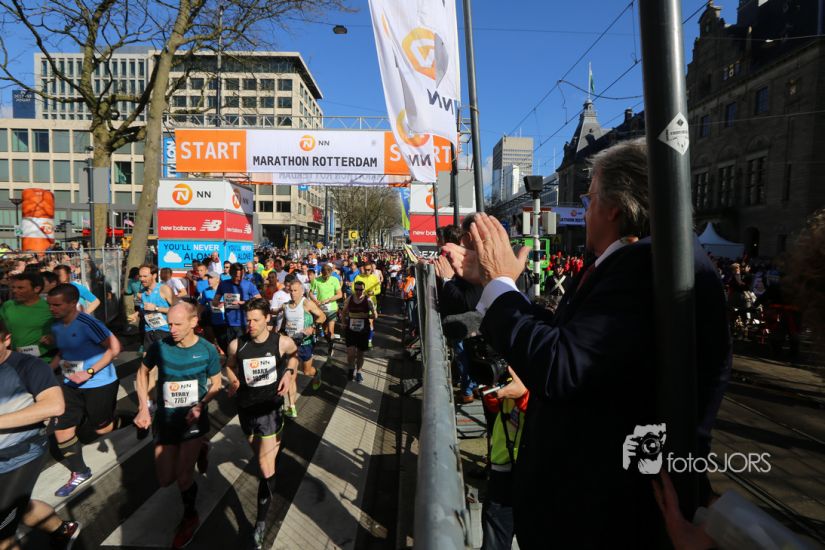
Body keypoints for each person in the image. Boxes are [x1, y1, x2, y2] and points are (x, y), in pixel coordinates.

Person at [444, 139, 730, 547]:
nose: (586, 208)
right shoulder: (641, 259)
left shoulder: (645, 264)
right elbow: (572, 339)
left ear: (614, 207)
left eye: (590, 197)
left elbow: (561, 366)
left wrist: (500, 285)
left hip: (602, 514)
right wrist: (495, 287)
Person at [133, 302, 222, 549]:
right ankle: (203, 447)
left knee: (184, 478)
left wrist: (201, 405)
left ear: (193, 322)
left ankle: (190, 517)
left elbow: (216, 384)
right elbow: (142, 373)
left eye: (177, 324)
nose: (171, 329)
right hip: (166, 419)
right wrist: (143, 407)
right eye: (169, 323)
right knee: (165, 480)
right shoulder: (160, 347)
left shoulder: (207, 350)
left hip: (193, 419)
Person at [0, 320, 81, 550]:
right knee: (19, 508)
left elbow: (55, 405)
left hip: (20, 456)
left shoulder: (29, 366)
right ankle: (63, 530)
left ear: (7, 340)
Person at [224, 299, 298, 549]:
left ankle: (261, 522)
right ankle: (274, 455)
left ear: (267, 318)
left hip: (270, 410)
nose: (251, 325)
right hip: (246, 411)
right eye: (248, 320)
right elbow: (229, 366)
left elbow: (294, 355)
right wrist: (233, 380)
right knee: (260, 456)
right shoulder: (237, 344)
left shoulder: (281, 342)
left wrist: (288, 373)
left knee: (265, 469)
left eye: (256, 320)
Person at [47, 284, 121, 497]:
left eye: (57, 305)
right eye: (50, 305)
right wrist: (47, 371)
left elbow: (115, 348)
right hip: (70, 383)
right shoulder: (56, 325)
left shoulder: (89, 323)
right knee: (62, 428)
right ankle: (80, 472)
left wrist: (89, 372)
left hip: (99, 383)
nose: (52, 309)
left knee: (102, 428)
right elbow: (63, 352)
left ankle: (127, 419)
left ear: (73, 303)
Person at [281, 279, 325, 404]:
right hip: (291, 344)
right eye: (291, 290)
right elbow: (285, 323)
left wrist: (312, 327)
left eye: (295, 290)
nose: (292, 293)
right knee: (291, 373)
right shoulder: (285, 306)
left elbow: (322, 316)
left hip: (305, 343)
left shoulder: (307, 303)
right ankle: (291, 406)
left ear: (301, 291)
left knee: (306, 371)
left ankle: (316, 373)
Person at [0, 272, 53, 360]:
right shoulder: (7, 305)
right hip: (15, 358)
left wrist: (53, 337)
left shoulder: (50, 307)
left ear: (36, 289)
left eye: (20, 288)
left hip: (44, 359)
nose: (14, 291)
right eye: (13, 287)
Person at [212, 263, 261, 353]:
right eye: (237, 276)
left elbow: (259, 299)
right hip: (228, 323)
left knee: (243, 349)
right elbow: (215, 301)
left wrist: (243, 302)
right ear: (231, 274)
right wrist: (220, 303)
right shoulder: (223, 284)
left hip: (244, 323)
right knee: (231, 349)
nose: (239, 278)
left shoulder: (248, 284)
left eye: (241, 276)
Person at [340, 280, 376, 383]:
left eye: (361, 290)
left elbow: (375, 315)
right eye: (356, 289)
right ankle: (351, 369)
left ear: (364, 290)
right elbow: (343, 312)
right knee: (350, 353)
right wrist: (343, 323)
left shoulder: (368, 300)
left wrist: (367, 316)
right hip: (351, 330)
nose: (358, 291)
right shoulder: (350, 299)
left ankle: (359, 372)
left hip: (363, 330)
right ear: (354, 289)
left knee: (360, 353)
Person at [309, 264, 343, 357]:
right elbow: (310, 293)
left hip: (332, 308)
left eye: (327, 276)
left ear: (331, 273)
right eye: (324, 276)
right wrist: (315, 301)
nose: (326, 278)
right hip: (321, 309)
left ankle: (330, 349)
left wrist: (328, 300)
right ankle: (330, 342)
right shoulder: (316, 280)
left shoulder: (334, 280)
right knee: (325, 332)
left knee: (331, 331)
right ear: (322, 273)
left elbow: (339, 295)